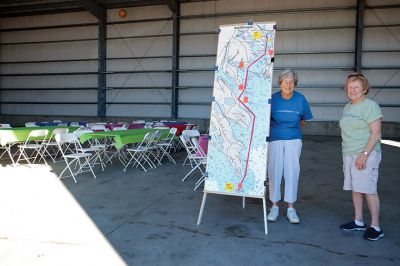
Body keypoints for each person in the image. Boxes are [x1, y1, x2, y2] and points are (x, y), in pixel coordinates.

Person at [339, 73, 384, 241]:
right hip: (349, 153)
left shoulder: (370, 106)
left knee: (369, 189)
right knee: (356, 188)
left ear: (364, 89)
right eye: (350, 87)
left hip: (366, 153)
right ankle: (358, 221)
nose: (352, 90)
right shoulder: (348, 107)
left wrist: (364, 155)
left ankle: (376, 226)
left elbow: (376, 132)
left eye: (356, 87)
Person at [267, 69, 313, 224]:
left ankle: (291, 208)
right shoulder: (272, 99)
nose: (288, 84)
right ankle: (274, 206)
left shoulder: (301, 99)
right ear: (280, 83)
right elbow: (265, 120)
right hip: (274, 139)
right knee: (274, 171)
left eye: (292, 82)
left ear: (295, 84)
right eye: (285, 81)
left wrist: (291, 131)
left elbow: (303, 120)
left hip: (294, 139)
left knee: (292, 172)